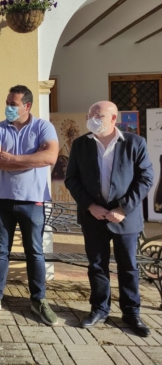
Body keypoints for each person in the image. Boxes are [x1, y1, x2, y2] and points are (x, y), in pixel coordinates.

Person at [65, 101, 153, 337]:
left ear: (113, 118)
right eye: (90, 113)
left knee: (128, 267)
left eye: (99, 114)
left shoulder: (135, 143)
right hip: (94, 217)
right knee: (97, 266)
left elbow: (145, 179)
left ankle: (131, 312)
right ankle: (99, 308)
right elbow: (71, 179)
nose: (93, 117)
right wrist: (90, 206)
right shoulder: (81, 144)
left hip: (125, 218)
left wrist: (123, 208)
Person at [0, 85, 59, 326]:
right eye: (7, 102)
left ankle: (39, 300)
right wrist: (32, 159)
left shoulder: (43, 127)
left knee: (34, 252)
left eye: (13, 104)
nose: (8, 107)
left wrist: (13, 158)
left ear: (27, 106)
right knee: (0, 251)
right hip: (2, 200)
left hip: (33, 200)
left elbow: (49, 158)